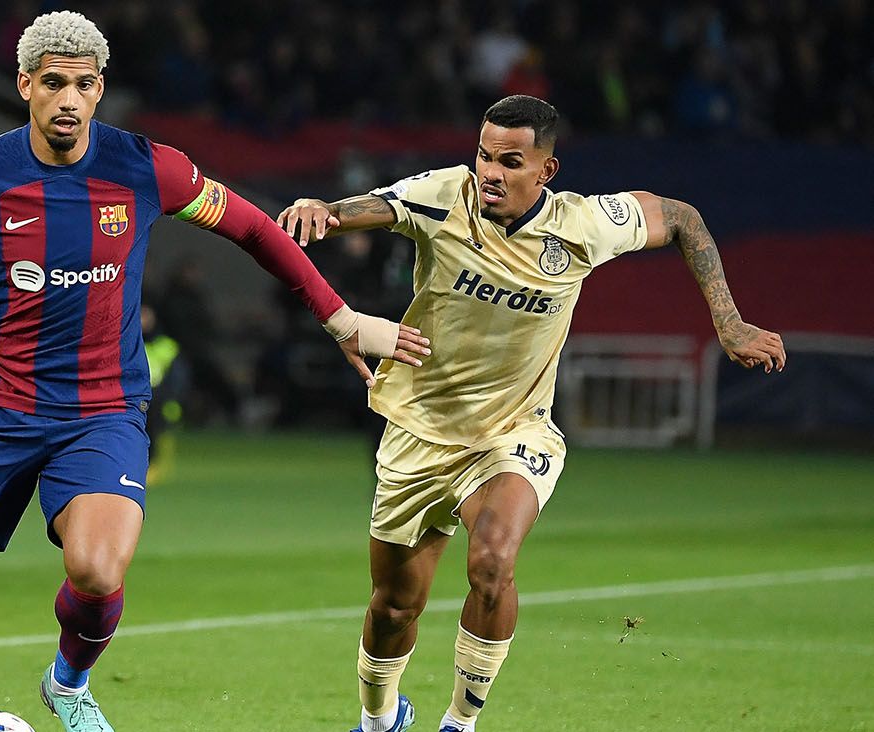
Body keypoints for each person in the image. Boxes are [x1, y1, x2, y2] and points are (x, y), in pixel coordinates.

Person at [0, 11, 429, 732]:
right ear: (24, 85)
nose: (69, 99)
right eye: (53, 83)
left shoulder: (146, 166)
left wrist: (342, 318)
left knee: (99, 572)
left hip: (102, 411)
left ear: (101, 88)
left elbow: (256, 229)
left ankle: (67, 683)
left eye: (83, 84)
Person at [277, 94, 787, 732]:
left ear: (545, 171)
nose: (490, 171)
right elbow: (369, 208)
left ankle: (460, 724)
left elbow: (682, 217)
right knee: (393, 607)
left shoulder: (582, 226)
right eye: (484, 156)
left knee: (492, 560)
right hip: (416, 430)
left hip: (513, 432)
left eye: (509, 161)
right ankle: (380, 720)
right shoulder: (445, 196)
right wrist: (323, 210)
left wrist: (729, 322)